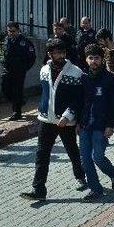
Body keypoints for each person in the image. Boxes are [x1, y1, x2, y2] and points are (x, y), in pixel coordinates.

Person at [20, 38, 87, 201]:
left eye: (62, 52)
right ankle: (38, 189)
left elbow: (78, 99)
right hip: (45, 120)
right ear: (50, 53)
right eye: (56, 52)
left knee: (72, 151)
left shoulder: (75, 72)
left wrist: (68, 116)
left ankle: (81, 177)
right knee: (41, 154)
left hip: (65, 121)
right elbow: (45, 94)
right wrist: (41, 110)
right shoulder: (43, 69)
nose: (60, 55)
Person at [78, 44, 114, 200]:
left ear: (102, 60)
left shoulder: (110, 79)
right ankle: (95, 189)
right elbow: (79, 102)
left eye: (97, 58)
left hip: (101, 125)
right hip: (84, 125)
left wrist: (110, 125)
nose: (94, 61)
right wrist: (77, 122)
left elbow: (113, 104)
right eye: (91, 58)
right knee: (85, 158)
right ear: (86, 59)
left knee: (98, 157)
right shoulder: (83, 78)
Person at [1, 21, 36, 120]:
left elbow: (32, 57)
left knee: (17, 90)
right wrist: (3, 62)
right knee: (4, 88)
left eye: (13, 31)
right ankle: (19, 101)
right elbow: (3, 53)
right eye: (9, 31)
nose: (11, 33)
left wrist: (24, 67)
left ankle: (17, 112)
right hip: (7, 69)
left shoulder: (25, 42)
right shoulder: (7, 40)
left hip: (19, 71)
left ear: (18, 30)